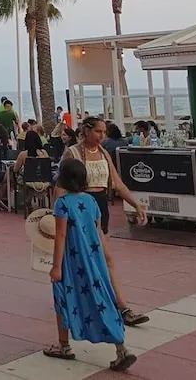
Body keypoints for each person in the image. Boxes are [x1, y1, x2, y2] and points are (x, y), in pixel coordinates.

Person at [44, 158, 137, 372]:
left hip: (72, 262)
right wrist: (104, 258)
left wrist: (56, 266)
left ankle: (64, 345)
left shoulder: (62, 204)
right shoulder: (91, 201)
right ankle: (121, 347)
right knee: (103, 297)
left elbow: (60, 235)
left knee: (62, 296)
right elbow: (97, 230)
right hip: (94, 259)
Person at [62, 117, 149, 326]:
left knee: (101, 258)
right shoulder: (72, 153)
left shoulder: (103, 153)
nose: (102, 136)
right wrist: (58, 215)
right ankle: (120, 306)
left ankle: (111, 304)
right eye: (98, 132)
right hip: (80, 209)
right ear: (87, 131)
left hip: (99, 209)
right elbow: (61, 186)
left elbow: (117, 183)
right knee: (97, 258)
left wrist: (136, 205)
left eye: (104, 132)